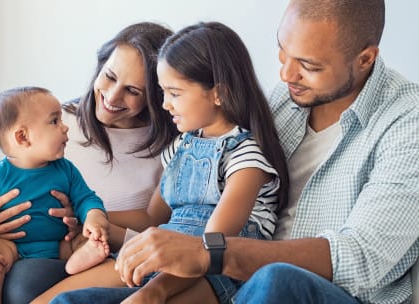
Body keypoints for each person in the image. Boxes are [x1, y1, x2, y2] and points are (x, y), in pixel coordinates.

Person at [52, 1, 419, 303]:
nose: (287, 74)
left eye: (309, 66)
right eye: (282, 51)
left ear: (365, 59)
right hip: (234, 276)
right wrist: (91, 215)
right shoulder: (284, 101)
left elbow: (361, 258)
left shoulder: (406, 122)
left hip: (313, 290)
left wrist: (210, 253)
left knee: (276, 282)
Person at [32, 21, 289, 304]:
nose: (165, 104)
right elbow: (153, 218)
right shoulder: (181, 146)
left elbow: (211, 249)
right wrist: (88, 215)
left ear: (219, 93)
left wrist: (152, 294)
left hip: (212, 273)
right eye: (163, 92)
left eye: (174, 94)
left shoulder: (246, 158)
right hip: (161, 251)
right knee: (58, 300)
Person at [0, 22, 178, 304]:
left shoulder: (172, 146)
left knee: (23, 283)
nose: (112, 96)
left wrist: (88, 217)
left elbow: (158, 222)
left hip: (87, 246)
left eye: (133, 91)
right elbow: (7, 180)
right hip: (20, 241)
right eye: (109, 76)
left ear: (158, 95)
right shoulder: (55, 120)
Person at [0, 86, 111, 303]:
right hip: (13, 247)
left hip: (59, 244)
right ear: (22, 137)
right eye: (54, 121)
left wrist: (94, 216)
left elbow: (86, 198)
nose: (65, 127)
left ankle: (78, 260)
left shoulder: (65, 169)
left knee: (86, 240)